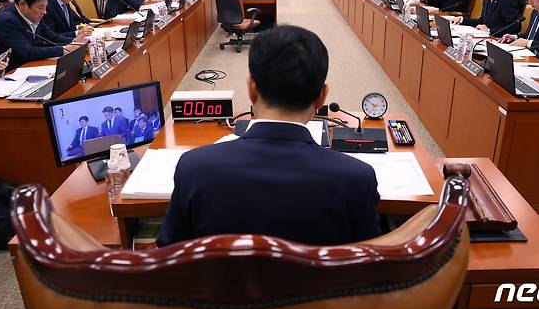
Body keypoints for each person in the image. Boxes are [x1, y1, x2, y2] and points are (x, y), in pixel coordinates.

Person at [156, 25, 381, 247]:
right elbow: (368, 265)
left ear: (251, 88)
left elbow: (169, 250)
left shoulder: (194, 167)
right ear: (321, 97)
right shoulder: (358, 178)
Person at [0, 0, 80, 70]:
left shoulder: (33, 15)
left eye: (45, 7)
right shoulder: (7, 21)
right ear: (23, 4)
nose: (44, 12)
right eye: (40, 7)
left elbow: (51, 37)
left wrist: (76, 43)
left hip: (29, 66)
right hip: (7, 74)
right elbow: (27, 52)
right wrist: (64, 50)